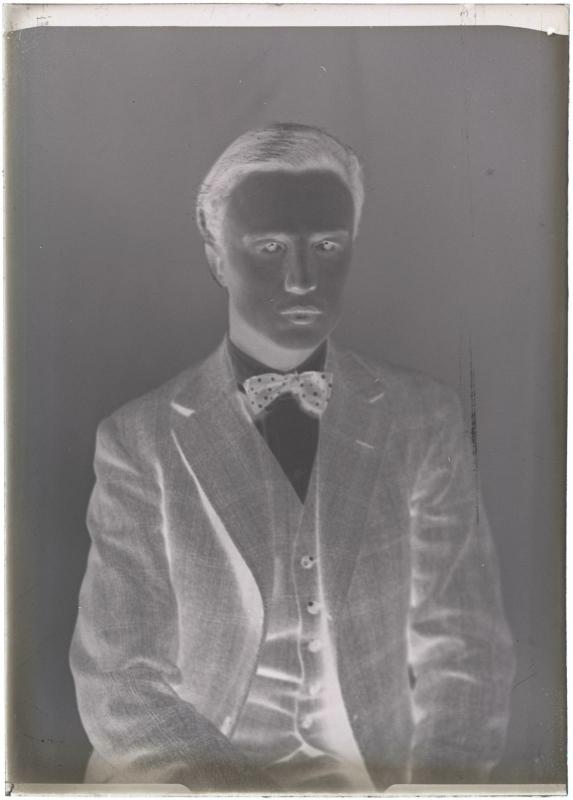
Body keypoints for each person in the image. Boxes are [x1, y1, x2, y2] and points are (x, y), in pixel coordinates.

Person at [69, 122, 515, 792]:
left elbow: (467, 649)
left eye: (327, 246)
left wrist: (427, 792)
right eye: (271, 247)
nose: (303, 279)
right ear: (217, 258)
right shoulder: (140, 438)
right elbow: (121, 682)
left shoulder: (424, 418)